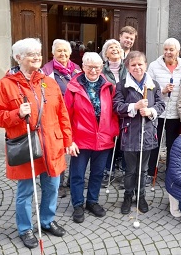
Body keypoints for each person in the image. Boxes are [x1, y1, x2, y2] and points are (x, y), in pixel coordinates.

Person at [0, 38, 77, 249]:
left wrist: (68, 140)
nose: (37, 57)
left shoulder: (50, 82)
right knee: (26, 191)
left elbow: (62, 114)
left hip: (52, 145)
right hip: (26, 145)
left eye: (38, 53)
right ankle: (25, 228)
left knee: (52, 187)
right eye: (31, 54)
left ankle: (46, 221)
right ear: (18, 58)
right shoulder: (5, 84)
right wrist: (16, 113)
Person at [64, 52, 119, 223]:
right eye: (89, 67)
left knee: (97, 173)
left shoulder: (109, 86)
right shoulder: (73, 87)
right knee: (78, 174)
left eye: (97, 67)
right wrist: (69, 140)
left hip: (103, 138)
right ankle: (78, 204)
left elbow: (114, 113)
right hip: (80, 139)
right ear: (83, 67)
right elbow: (66, 115)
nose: (93, 70)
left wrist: (113, 131)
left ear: (102, 67)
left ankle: (92, 201)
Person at [113, 51, 165, 215]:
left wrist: (150, 111)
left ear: (146, 65)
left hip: (148, 133)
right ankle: (128, 195)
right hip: (130, 134)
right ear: (128, 66)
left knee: (143, 170)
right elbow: (117, 107)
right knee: (130, 170)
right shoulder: (122, 85)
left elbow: (161, 105)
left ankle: (141, 195)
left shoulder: (153, 84)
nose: (137, 67)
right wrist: (134, 107)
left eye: (140, 64)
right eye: (133, 64)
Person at [41, 39, 81, 198]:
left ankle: (73, 179)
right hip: (57, 116)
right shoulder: (46, 71)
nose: (62, 53)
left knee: (76, 147)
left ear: (70, 53)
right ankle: (59, 183)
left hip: (76, 116)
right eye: (59, 51)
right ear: (53, 53)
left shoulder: (77, 69)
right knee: (59, 149)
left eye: (65, 50)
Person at [147, 38, 181, 184]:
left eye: (171, 50)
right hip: (158, 113)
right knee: (155, 143)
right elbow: (148, 89)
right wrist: (162, 91)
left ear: (177, 51)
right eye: (166, 49)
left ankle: (171, 173)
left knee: (173, 145)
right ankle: (150, 171)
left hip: (176, 114)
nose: (168, 52)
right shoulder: (154, 66)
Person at [101, 39, 127, 187]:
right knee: (109, 141)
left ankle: (124, 172)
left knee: (124, 141)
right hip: (108, 112)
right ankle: (107, 171)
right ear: (106, 53)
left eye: (117, 47)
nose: (115, 49)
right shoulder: (102, 70)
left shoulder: (128, 68)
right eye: (111, 47)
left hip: (124, 110)